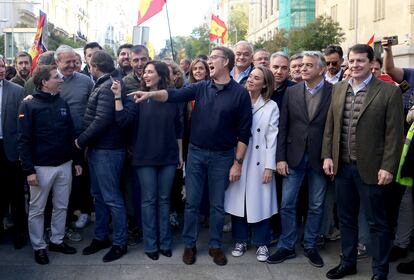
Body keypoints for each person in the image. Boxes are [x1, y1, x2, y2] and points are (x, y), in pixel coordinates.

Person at [128, 46, 252, 266]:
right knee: (192, 203)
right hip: (196, 153)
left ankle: (215, 246)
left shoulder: (240, 93)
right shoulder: (201, 87)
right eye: (210, 57)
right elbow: (173, 94)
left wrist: (238, 163)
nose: (209, 61)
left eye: (214, 58)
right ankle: (190, 244)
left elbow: (244, 132)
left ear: (226, 62)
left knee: (217, 205)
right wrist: (150, 94)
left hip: (223, 157)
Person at [322, 44, 404, 280]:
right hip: (343, 167)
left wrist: (388, 167)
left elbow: (394, 135)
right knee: (346, 219)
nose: (355, 65)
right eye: (352, 61)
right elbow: (331, 126)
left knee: (377, 223)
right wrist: (328, 155)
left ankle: (380, 271)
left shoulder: (389, 92)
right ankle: (348, 263)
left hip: (373, 169)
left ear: (371, 63)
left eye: (360, 61)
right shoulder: (337, 89)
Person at [267, 51, 332, 268]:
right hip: (293, 157)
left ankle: (311, 244)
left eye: (309, 65)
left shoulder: (335, 92)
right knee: (287, 204)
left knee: (315, 205)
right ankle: (287, 245)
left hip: (320, 159)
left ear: (321, 69)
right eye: (302, 65)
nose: (302, 68)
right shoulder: (291, 92)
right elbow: (283, 127)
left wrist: (330, 156)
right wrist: (280, 158)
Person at [113, 60, 183, 260]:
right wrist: (118, 97)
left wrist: (179, 155)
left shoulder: (172, 98)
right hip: (144, 157)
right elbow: (122, 121)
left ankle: (166, 243)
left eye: (150, 72)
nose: (145, 75)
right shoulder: (137, 98)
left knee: (164, 199)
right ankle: (151, 244)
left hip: (169, 156)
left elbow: (179, 128)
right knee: (148, 200)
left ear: (160, 75)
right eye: (144, 72)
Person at [18, 65, 82, 265]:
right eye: (56, 77)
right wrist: (28, 170)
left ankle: (57, 240)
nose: (61, 80)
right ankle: (39, 246)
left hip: (65, 164)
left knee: (61, 206)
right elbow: (24, 140)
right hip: (40, 168)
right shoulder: (28, 106)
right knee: (37, 209)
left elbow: (71, 134)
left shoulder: (62, 102)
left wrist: (77, 161)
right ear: (44, 82)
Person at [76, 50, 128, 263]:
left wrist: (81, 140)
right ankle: (101, 237)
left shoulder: (108, 86)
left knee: (112, 198)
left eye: (90, 65)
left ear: (95, 67)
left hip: (108, 150)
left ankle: (120, 242)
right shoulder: (105, 83)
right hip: (99, 150)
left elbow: (102, 120)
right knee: (98, 196)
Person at [225, 65, 279, 262]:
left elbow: (272, 139)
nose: (251, 80)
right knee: (238, 201)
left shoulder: (271, 106)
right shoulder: (237, 100)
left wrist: (269, 167)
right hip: (238, 158)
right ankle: (240, 240)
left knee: (260, 203)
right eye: (251, 77)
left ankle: (262, 243)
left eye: (257, 78)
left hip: (259, 160)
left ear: (264, 84)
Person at [55, 45, 95, 236]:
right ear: (57, 62)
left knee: (82, 178)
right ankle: (67, 216)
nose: (72, 65)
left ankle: (85, 211)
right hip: (57, 142)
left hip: (82, 139)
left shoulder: (86, 81)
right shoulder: (50, 80)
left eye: (74, 61)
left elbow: (94, 108)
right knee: (63, 181)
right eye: (67, 62)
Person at [0, 56, 27, 250]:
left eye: (1, 65)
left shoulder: (17, 90)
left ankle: (19, 231)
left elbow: (22, 123)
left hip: (10, 149)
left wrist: (21, 149)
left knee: (16, 193)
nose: (1, 69)